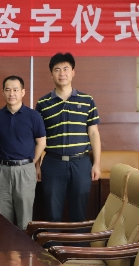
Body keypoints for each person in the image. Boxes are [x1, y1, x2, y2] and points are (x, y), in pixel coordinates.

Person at [36, 53, 101, 222]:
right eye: (57, 69)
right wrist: (37, 165)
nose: (62, 73)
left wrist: (96, 164)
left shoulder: (87, 100)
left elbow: (94, 133)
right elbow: (37, 137)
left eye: (66, 69)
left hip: (81, 163)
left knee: (79, 214)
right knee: (52, 214)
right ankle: (52, 241)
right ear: (51, 74)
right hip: (53, 163)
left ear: (73, 72)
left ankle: (79, 241)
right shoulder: (43, 103)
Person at [0, 76, 46, 230]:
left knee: (25, 218)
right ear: (3, 92)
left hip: (26, 170)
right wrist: (1, 158)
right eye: (8, 90)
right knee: (2, 217)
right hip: (3, 170)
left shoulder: (33, 116)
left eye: (15, 90)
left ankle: (24, 247)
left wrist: (31, 162)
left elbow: (41, 142)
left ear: (23, 92)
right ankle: (5, 246)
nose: (11, 94)